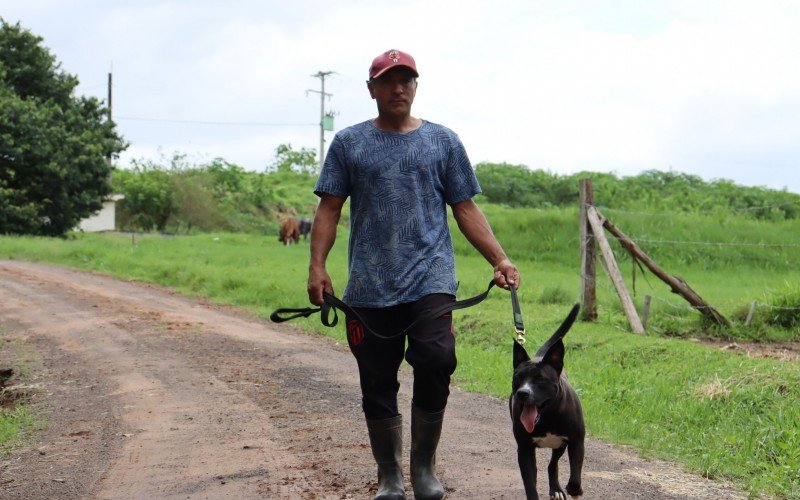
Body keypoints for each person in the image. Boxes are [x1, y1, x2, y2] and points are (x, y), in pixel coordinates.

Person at [307, 49, 520, 500]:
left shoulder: (443, 142)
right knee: (376, 378)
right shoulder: (348, 144)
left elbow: (465, 207)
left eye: (405, 80)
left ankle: (423, 468)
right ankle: (389, 477)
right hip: (368, 285)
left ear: (416, 86)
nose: (397, 88)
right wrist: (318, 267)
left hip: (430, 277)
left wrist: (499, 260)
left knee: (437, 358)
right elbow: (329, 207)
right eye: (387, 81)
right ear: (372, 90)